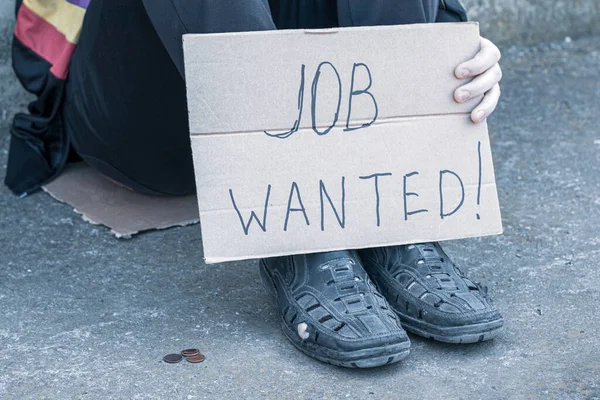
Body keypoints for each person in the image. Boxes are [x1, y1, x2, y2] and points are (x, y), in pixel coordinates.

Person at [6, 0, 503, 368]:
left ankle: (394, 212)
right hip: (141, 97)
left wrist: (450, 52)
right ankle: (302, 228)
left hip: (317, 83)